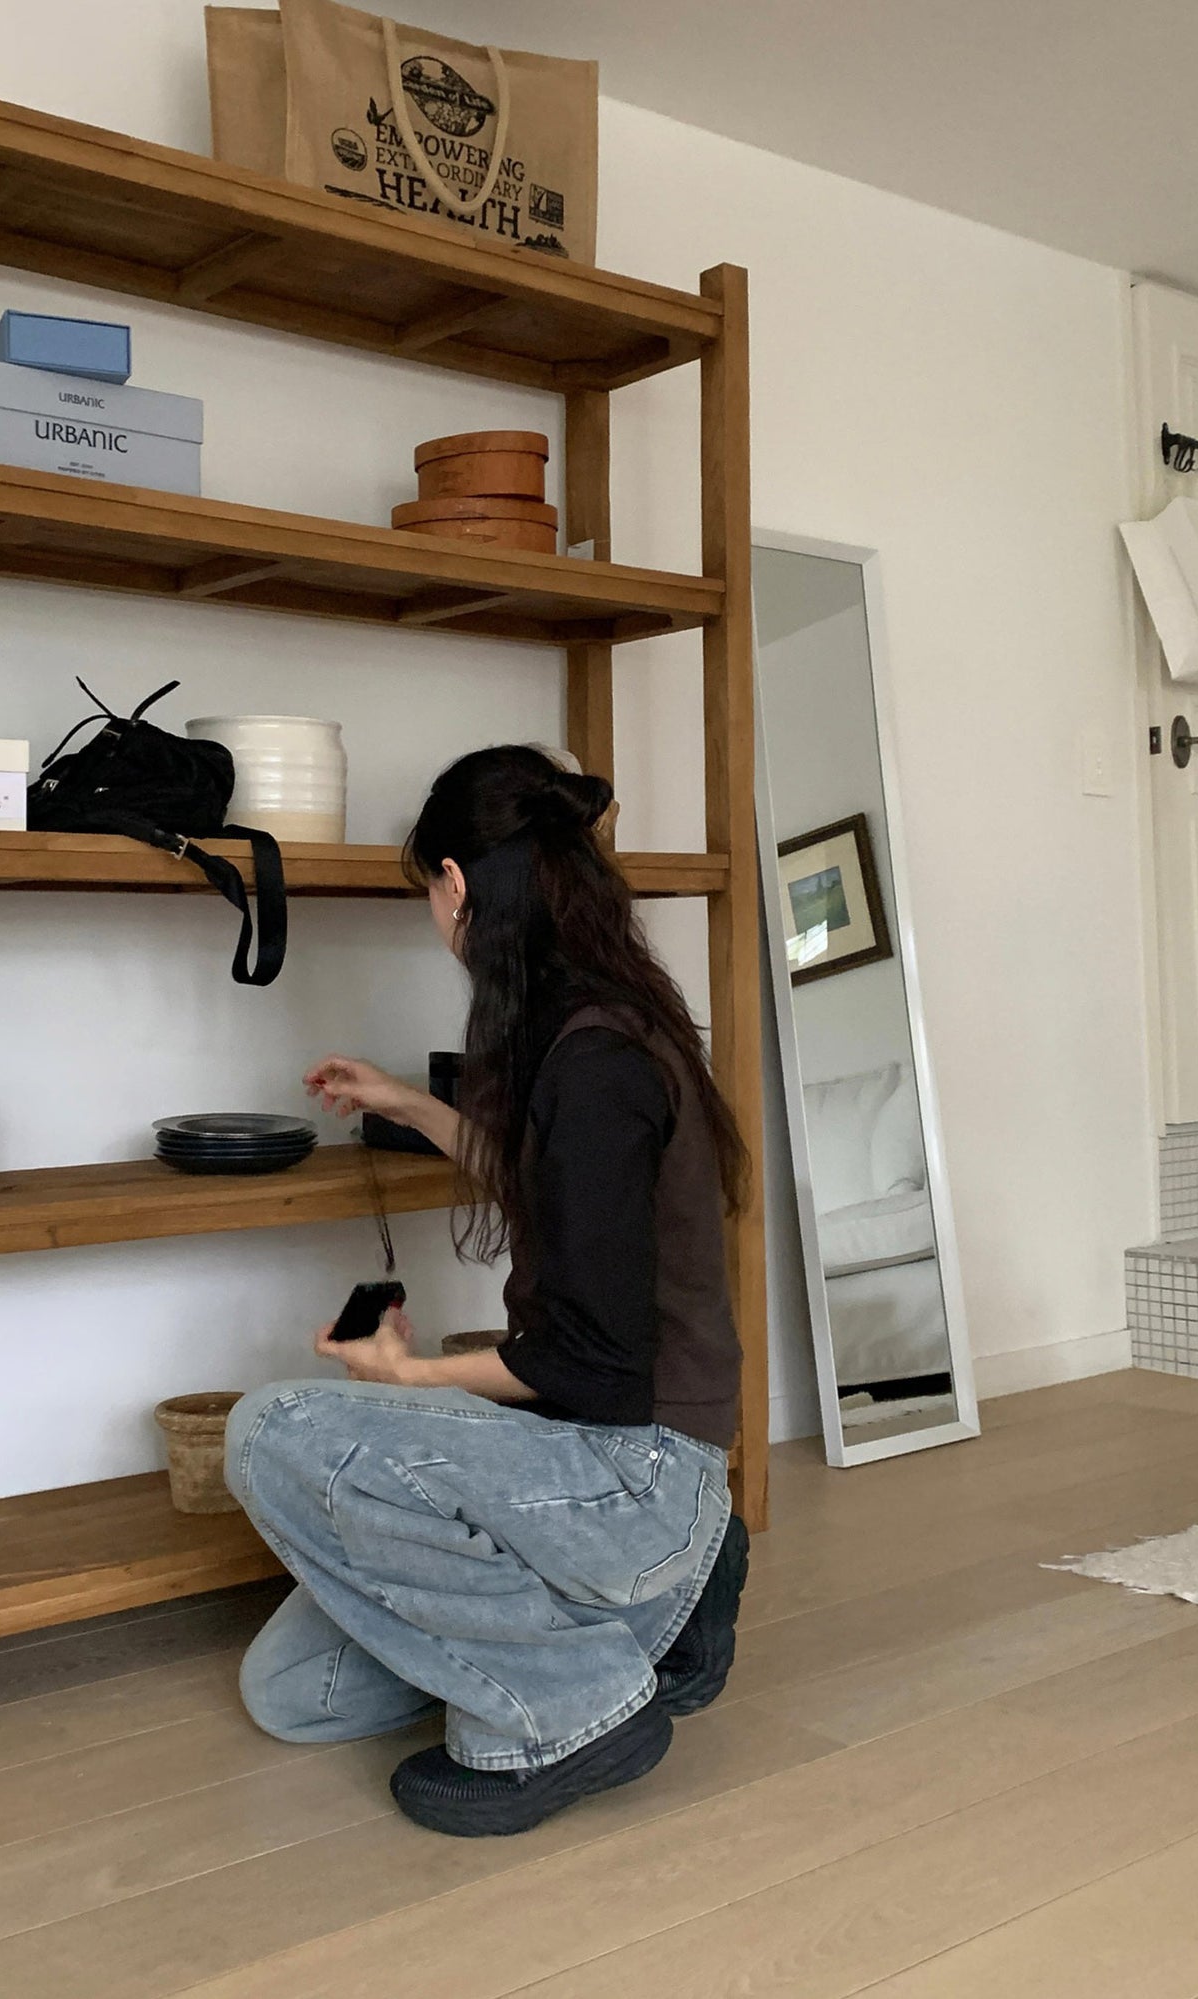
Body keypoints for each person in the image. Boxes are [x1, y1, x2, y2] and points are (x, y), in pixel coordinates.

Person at [225, 745, 750, 1838]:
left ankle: (580, 1707)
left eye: (429, 889)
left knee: (274, 1428)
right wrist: (409, 1104)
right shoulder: (591, 1028)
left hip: (638, 1473)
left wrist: (409, 1374)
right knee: (294, 1693)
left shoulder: (598, 1063)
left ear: (457, 884)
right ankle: (648, 1624)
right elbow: (556, 1187)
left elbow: (592, 1364)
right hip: (591, 1463)